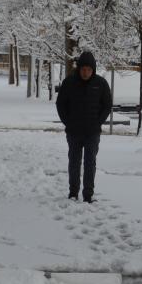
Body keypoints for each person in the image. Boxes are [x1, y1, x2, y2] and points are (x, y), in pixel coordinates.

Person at [55, 51, 112, 202]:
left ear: (93, 70)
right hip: (74, 132)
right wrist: (68, 122)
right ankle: (73, 192)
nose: (86, 72)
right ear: (79, 68)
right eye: (83, 69)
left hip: (92, 132)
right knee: (74, 162)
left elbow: (107, 105)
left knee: (89, 163)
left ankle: (88, 194)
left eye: (89, 69)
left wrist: (98, 121)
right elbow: (60, 104)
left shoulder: (101, 84)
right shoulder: (69, 83)